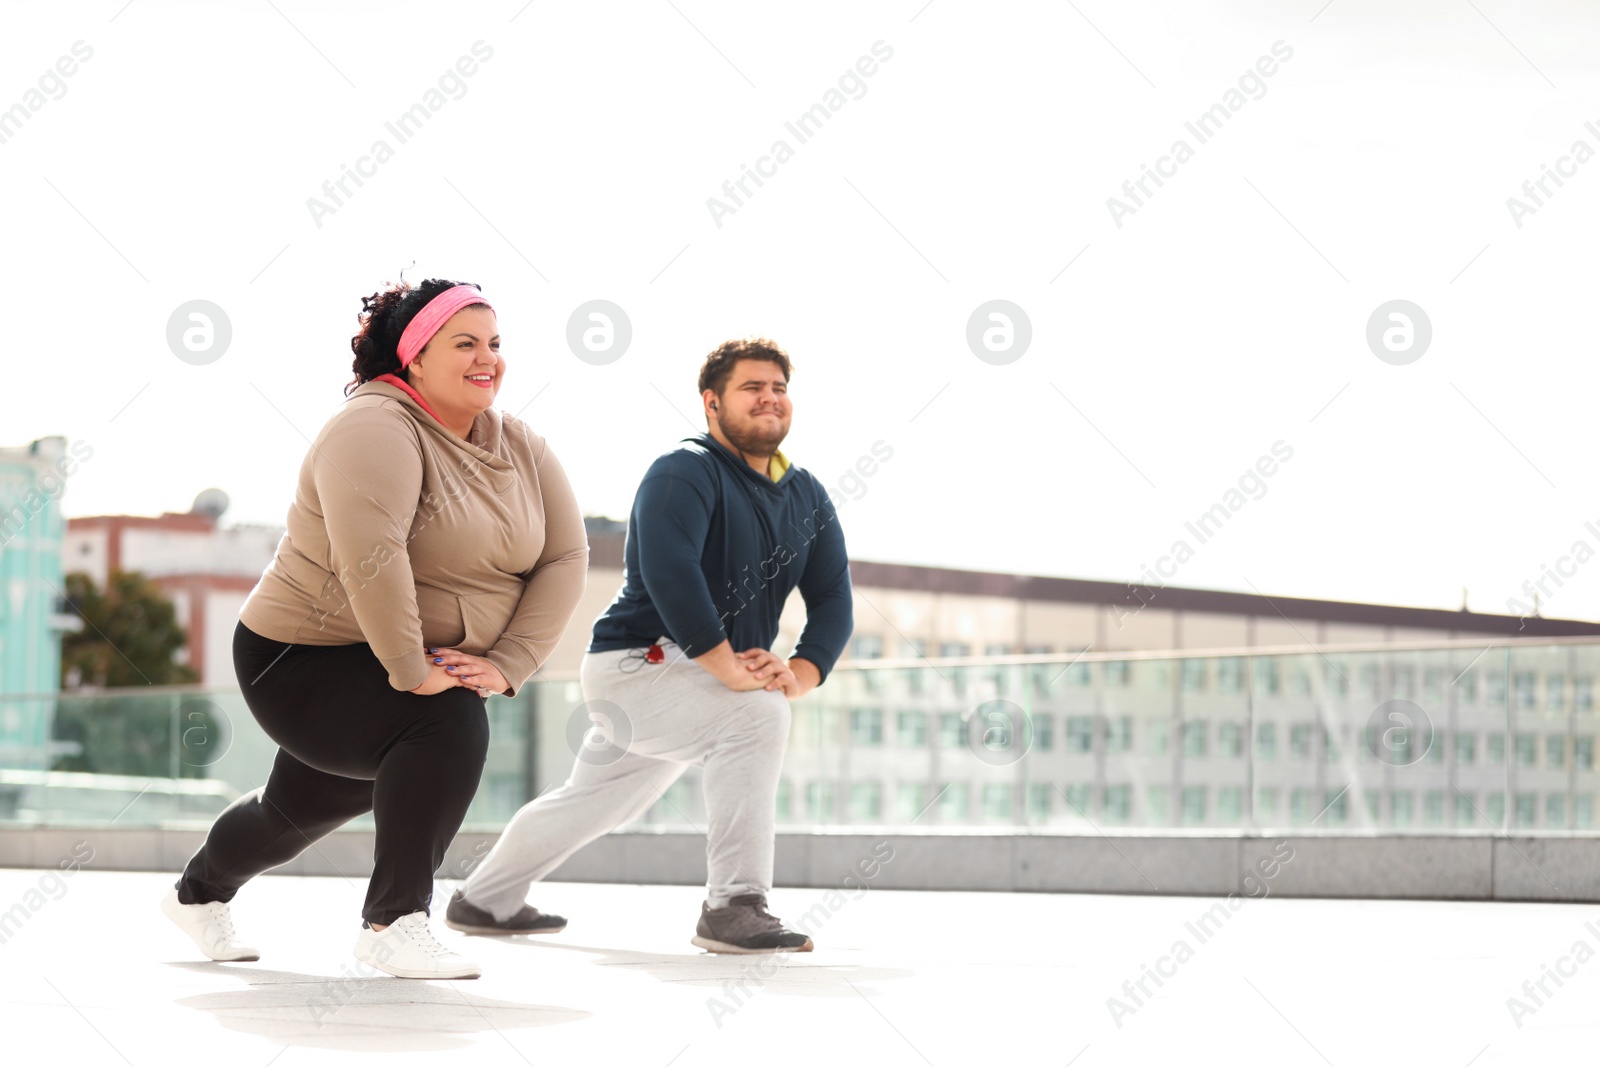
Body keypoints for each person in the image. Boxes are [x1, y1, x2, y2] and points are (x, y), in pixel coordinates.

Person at [160, 278, 588, 979]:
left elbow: (567, 554)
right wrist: (410, 671)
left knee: (290, 810)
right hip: (302, 656)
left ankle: (195, 893)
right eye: (465, 343)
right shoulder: (374, 427)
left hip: (394, 653)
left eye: (495, 344)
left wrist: (512, 658)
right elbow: (373, 557)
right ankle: (394, 921)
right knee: (443, 718)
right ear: (414, 357)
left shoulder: (520, 443)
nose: (488, 357)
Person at [445, 337, 853, 953]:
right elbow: (670, 572)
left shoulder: (806, 495)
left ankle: (483, 898)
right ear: (712, 403)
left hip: (706, 677)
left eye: (779, 388)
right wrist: (732, 669)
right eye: (752, 388)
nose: (770, 398)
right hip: (639, 666)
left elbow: (833, 599)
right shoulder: (684, 471)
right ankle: (734, 907)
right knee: (756, 718)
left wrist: (799, 671)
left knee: (595, 802)